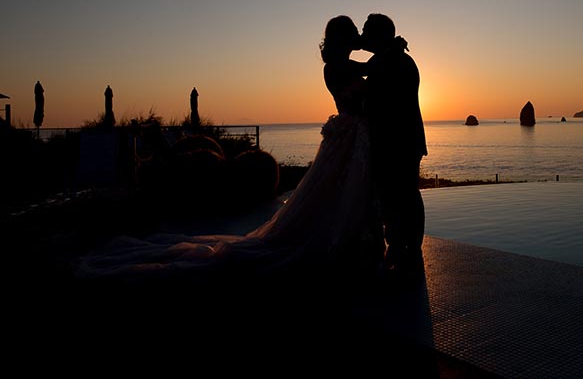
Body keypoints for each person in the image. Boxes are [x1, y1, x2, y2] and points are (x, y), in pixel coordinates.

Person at [73, 15, 385, 286]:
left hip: (349, 136)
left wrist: (367, 44)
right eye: (353, 32)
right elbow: (369, 72)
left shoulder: (340, 63)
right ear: (344, 38)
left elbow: (366, 67)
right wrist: (381, 48)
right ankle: (348, 244)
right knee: (343, 191)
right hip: (349, 137)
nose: (357, 36)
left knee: (341, 192)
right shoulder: (337, 67)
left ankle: (354, 241)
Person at [360, 13, 427, 280]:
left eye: (366, 31)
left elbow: (382, 104)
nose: (363, 36)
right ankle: (403, 248)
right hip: (400, 141)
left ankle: (408, 249)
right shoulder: (388, 58)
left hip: (400, 142)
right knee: (399, 196)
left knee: (404, 195)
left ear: (379, 35)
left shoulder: (392, 61)